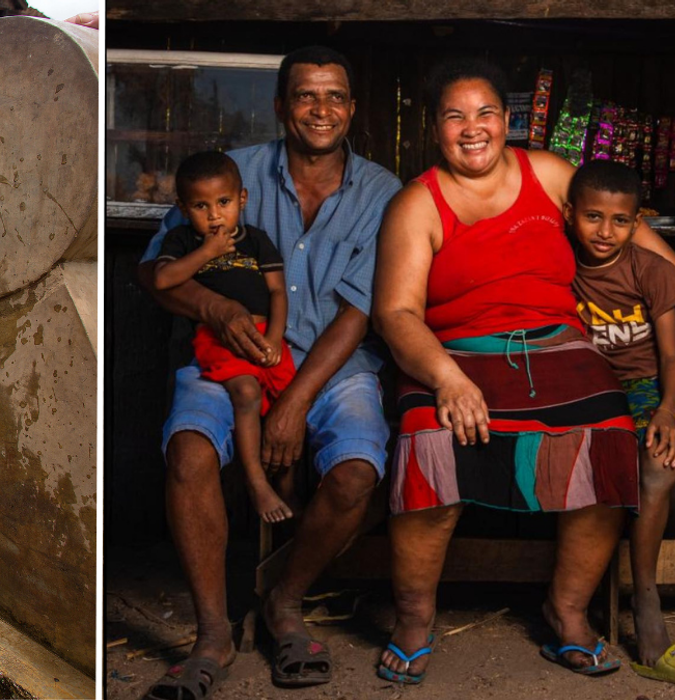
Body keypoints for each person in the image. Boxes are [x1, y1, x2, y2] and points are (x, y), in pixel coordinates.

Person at [372, 59, 675, 684]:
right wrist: (447, 379)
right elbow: (396, 312)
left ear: (506, 120)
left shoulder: (546, 171)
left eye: (485, 113)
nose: (473, 128)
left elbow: (623, 222)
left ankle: (566, 613)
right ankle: (413, 618)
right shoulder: (416, 203)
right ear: (436, 128)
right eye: (456, 116)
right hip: (455, 352)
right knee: (429, 439)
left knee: (608, 431)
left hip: (559, 344)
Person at [139, 46, 402, 697]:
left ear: (351, 108)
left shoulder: (381, 192)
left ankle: (285, 602)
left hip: (334, 366)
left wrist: (293, 402)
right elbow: (152, 272)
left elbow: (356, 314)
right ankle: (212, 632)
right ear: (281, 106)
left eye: (334, 97)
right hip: (223, 358)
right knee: (189, 453)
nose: (321, 110)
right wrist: (213, 303)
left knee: (355, 473)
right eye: (306, 96)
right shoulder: (232, 175)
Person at [566, 161, 675, 684]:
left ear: (637, 224)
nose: (604, 232)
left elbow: (672, 356)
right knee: (658, 467)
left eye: (619, 221)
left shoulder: (651, 270)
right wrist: (659, 420)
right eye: (592, 217)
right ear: (570, 215)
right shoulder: (557, 267)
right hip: (626, 389)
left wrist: (668, 411)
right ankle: (648, 606)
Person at [154, 151, 295, 523]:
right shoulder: (183, 241)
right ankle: (256, 483)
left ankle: (289, 490)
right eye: (201, 206)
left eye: (224, 202)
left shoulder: (257, 242)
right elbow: (162, 280)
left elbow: (278, 292)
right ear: (183, 208)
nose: (214, 215)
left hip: (265, 335)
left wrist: (277, 340)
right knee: (246, 392)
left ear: (242, 199)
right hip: (217, 338)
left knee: (292, 405)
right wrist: (208, 251)